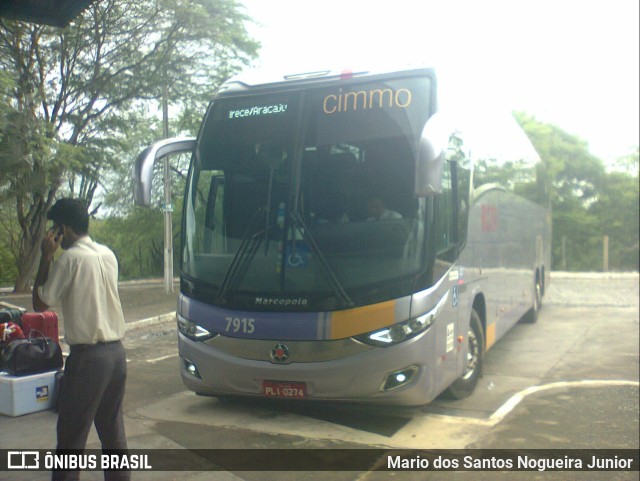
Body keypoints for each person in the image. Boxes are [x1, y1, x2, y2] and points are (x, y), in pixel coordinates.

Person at [32, 198, 129, 481]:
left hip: (89, 359)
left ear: (62, 229)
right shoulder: (107, 254)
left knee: (71, 439)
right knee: (113, 436)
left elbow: (40, 303)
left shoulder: (71, 259)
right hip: (116, 355)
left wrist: (46, 257)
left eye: (54, 229)